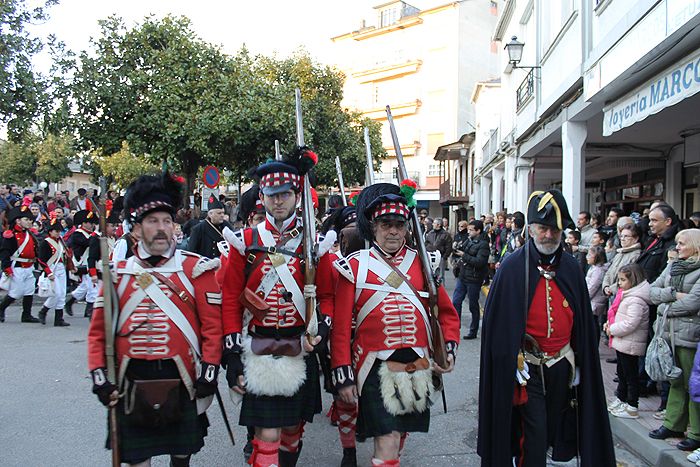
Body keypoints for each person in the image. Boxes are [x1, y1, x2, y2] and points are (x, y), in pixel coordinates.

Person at [87, 171, 223, 466]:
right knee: (138, 460)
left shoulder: (196, 269)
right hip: (131, 381)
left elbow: (213, 328)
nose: (162, 229)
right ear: (136, 229)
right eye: (152, 221)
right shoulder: (117, 274)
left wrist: (210, 372)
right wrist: (100, 378)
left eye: (167, 221)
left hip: (183, 379)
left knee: (181, 458)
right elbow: (98, 333)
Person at [478, 189, 615, 467]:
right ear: (530, 229)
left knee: (554, 428)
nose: (549, 235)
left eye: (555, 229)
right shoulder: (512, 268)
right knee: (535, 435)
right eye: (543, 228)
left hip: (563, 366)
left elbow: (582, 323)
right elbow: (500, 328)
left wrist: (580, 362)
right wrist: (511, 360)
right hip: (529, 369)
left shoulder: (571, 268)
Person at [330, 181, 460, 467]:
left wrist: (447, 349)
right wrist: (343, 373)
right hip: (374, 365)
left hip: (418, 364)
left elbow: (446, 314)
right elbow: (340, 328)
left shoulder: (422, 263)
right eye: (385, 224)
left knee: (399, 438)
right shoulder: (355, 265)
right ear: (373, 227)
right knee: (386, 441)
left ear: (406, 227)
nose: (393, 231)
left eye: (399, 224)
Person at [220, 149, 336, 467]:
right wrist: (232, 354)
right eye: (272, 195)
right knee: (267, 434)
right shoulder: (245, 240)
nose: (278, 201)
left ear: (296, 195)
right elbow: (230, 299)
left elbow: (327, 296)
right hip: (259, 346)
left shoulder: (315, 243)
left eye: (285, 194)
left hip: (300, 345)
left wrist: (322, 329)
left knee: (291, 433)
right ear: (262, 196)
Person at [648, 228, 700, 451]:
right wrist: (672, 296)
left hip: (690, 336)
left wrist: (664, 306)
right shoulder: (672, 266)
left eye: (682, 243)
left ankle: (696, 432)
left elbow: (693, 303)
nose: (677, 247)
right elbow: (651, 291)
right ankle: (673, 424)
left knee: (693, 385)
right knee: (675, 381)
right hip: (667, 333)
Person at [604, 264, 651, 419]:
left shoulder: (636, 300)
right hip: (623, 342)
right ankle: (622, 398)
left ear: (633, 279)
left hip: (630, 343)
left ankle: (632, 405)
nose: (619, 283)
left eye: (623, 280)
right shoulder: (627, 295)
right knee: (623, 373)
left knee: (631, 376)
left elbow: (631, 323)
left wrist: (613, 329)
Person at [0, 205, 48, 323]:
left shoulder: (30, 234)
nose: (29, 222)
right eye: (26, 220)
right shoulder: (11, 235)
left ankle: (26, 315)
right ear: (18, 220)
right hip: (18, 266)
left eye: (30, 220)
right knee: (17, 292)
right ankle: (1, 309)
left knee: (29, 291)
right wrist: (6, 268)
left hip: (30, 266)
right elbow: (5, 252)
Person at [452, 220, 489, 339]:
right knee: (456, 301)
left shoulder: (483, 244)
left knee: (473, 305)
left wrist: (464, 255)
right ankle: (454, 327)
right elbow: (461, 251)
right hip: (463, 276)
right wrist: (456, 248)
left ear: (478, 231)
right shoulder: (469, 240)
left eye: (471, 230)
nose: (469, 232)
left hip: (473, 278)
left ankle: (473, 330)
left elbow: (480, 262)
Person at [37, 218, 74, 326]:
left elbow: (65, 256)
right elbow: (41, 259)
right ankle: (43, 311)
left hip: (61, 269)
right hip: (52, 268)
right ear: (50, 231)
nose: (58, 233)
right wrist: (49, 272)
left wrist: (71, 266)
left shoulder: (61, 241)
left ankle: (59, 319)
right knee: (56, 293)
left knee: (62, 294)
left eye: (59, 231)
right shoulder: (46, 243)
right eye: (56, 231)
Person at [65, 210, 99, 318]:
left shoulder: (91, 234)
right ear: (84, 223)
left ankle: (70, 302)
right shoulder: (77, 234)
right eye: (90, 222)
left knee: (85, 286)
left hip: (89, 263)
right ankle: (89, 310)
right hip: (82, 263)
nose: (92, 225)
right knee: (92, 286)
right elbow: (88, 243)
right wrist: (96, 234)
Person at [603, 224, 643, 299]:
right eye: (621, 236)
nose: (622, 239)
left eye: (626, 236)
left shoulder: (636, 255)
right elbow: (609, 272)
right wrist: (606, 286)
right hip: (611, 295)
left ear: (636, 238)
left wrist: (612, 289)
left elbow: (629, 277)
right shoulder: (618, 254)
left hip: (623, 295)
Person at [585, 245, 609, 343]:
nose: (587, 256)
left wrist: (583, 298)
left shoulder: (598, 271)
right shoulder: (594, 268)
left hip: (594, 302)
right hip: (592, 301)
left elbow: (592, 288)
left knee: (593, 325)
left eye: (590, 255)